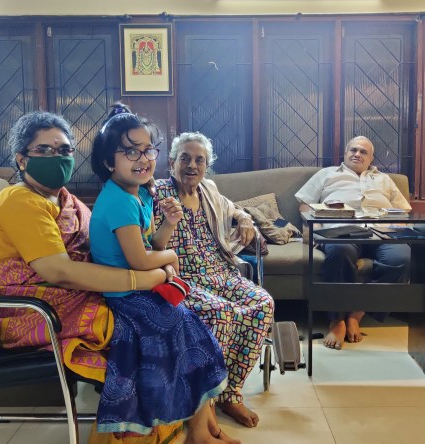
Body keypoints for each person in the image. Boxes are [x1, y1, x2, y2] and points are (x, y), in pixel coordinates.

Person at [0, 111, 208, 444]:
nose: (57, 157)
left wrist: (154, 265)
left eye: (64, 150)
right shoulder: (19, 200)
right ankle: (132, 433)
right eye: (44, 150)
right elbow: (59, 272)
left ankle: (184, 423)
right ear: (21, 159)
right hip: (36, 311)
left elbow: (101, 249)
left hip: (77, 298)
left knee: (177, 315)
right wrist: (145, 279)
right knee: (158, 327)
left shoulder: (66, 200)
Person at [89, 104, 239, 444]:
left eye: (147, 150)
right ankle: (199, 430)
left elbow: (150, 245)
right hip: (125, 295)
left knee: (194, 333)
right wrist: (171, 258)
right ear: (109, 161)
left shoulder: (138, 194)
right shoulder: (118, 201)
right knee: (188, 333)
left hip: (141, 288)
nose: (143, 159)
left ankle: (202, 429)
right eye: (130, 151)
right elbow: (140, 260)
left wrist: (169, 224)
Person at [154, 132, 275, 428]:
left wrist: (244, 218)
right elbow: (151, 243)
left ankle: (230, 394)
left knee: (262, 304)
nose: (192, 165)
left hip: (219, 271)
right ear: (172, 162)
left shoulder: (208, 190)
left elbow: (232, 207)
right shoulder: (158, 193)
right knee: (222, 313)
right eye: (185, 158)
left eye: (199, 160)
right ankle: (203, 401)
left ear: (207, 166)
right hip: (184, 277)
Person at [295, 135, 411, 350]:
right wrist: (316, 228)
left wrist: (398, 227)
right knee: (339, 252)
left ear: (371, 158)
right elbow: (304, 205)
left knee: (401, 258)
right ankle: (337, 319)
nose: (357, 154)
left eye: (363, 152)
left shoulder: (384, 179)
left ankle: (357, 314)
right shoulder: (327, 174)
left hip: (381, 231)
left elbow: (403, 209)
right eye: (353, 150)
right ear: (345, 153)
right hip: (342, 230)